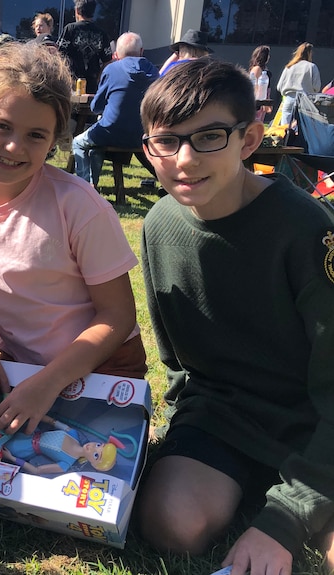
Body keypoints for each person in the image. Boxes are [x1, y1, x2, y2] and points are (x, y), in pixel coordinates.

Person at [135, 58, 334, 575]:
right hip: (223, 418)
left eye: (209, 137)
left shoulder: (307, 229)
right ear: (147, 150)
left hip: (315, 423)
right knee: (170, 524)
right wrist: (185, 436)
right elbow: (178, 361)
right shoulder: (158, 224)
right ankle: (248, 490)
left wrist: (285, 521)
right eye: (167, 141)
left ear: (248, 140)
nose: (184, 159)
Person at [0, 42, 147, 438]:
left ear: (53, 142)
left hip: (104, 367)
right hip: (20, 366)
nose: (15, 146)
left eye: (36, 135)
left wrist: (49, 384)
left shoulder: (79, 206)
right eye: (2, 126)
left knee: (88, 467)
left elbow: (117, 316)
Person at [72, 32, 158, 187]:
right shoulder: (154, 72)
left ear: (116, 55)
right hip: (143, 136)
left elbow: (96, 107)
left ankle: (84, 188)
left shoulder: (112, 70)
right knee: (95, 146)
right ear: (142, 51)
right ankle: (92, 187)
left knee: (78, 142)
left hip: (109, 133)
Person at [57, 0, 112, 94]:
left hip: (71, 82)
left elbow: (59, 55)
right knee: (89, 108)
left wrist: (64, 76)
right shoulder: (102, 33)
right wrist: (98, 78)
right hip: (92, 84)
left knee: (70, 108)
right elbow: (107, 60)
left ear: (77, 10)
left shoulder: (70, 29)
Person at [276, 42, 321, 127]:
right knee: (300, 127)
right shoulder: (311, 67)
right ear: (309, 53)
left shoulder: (289, 66)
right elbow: (316, 87)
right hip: (305, 100)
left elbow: (279, 86)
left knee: (284, 128)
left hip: (289, 99)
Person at [248, 44, 272, 122]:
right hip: (258, 100)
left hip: (263, 97)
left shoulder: (264, 69)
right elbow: (254, 86)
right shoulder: (257, 69)